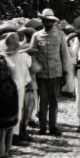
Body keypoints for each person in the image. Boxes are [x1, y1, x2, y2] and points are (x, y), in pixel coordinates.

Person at [29, 8, 70, 136]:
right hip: (42, 74)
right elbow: (32, 55)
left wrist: (65, 72)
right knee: (43, 101)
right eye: (46, 21)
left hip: (56, 73)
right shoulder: (36, 35)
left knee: (53, 101)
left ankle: (53, 126)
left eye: (50, 21)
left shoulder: (60, 35)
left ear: (53, 22)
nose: (48, 24)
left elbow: (64, 54)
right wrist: (34, 69)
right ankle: (42, 126)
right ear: (42, 21)